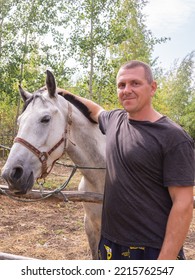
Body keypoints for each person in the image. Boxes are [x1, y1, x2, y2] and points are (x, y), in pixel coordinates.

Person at [65, 60, 195, 260]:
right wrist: (64, 94)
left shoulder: (173, 137)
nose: (127, 90)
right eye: (121, 85)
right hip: (111, 245)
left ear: (152, 88)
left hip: (152, 250)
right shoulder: (115, 120)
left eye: (135, 83)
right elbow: (96, 110)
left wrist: (165, 262)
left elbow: (183, 204)